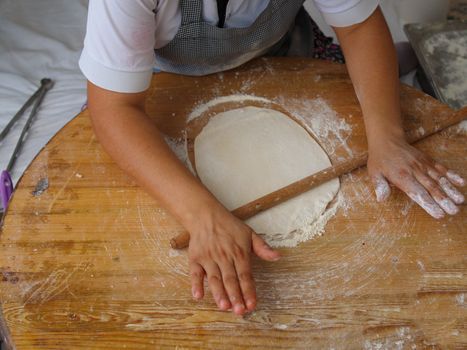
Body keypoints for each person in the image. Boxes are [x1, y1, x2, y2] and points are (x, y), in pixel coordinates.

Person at [79, 0, 465, 316]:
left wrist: (387, 137)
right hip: (168, 77)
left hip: (283, 53)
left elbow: (360, 28)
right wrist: (204, 216)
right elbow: (115, 108)